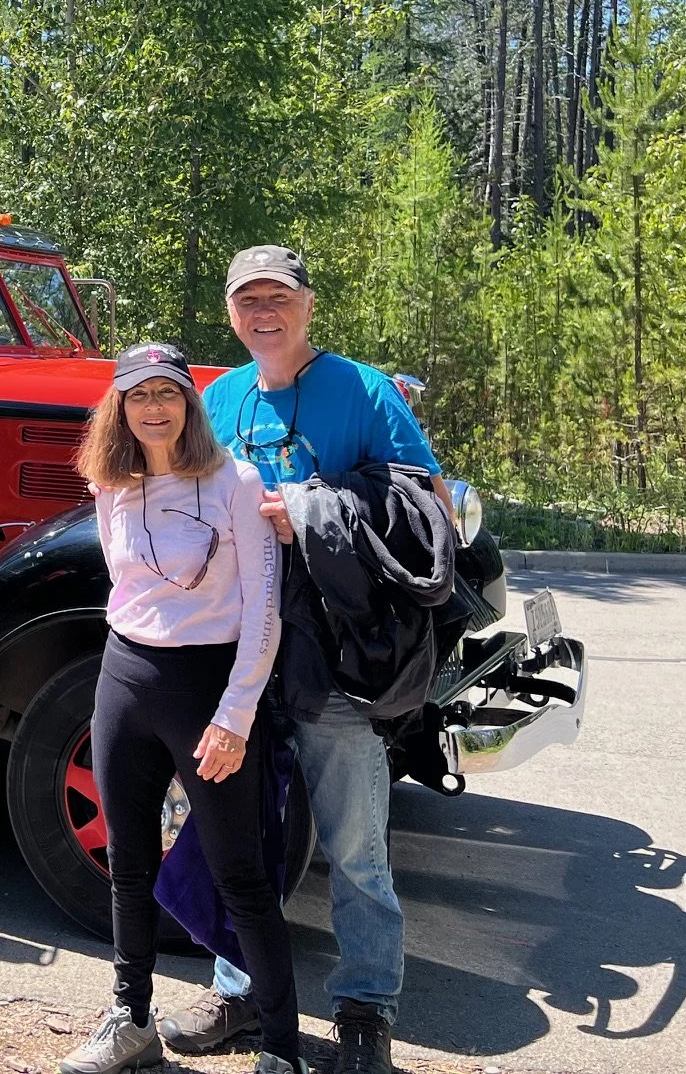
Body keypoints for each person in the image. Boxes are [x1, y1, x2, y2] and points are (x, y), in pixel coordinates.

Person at [158, 247, 443, 1074]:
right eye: (247, 300)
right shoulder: (219, 398)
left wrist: (314, 508)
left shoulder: (362, 390)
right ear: (231, 314)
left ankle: (364, 1010)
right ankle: (239, 991)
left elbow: (421, 497)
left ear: (307, 304)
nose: (262, 313)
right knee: (238, 836)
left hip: (338, 654)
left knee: (355, 845)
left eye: (276, 297)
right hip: (238, 653)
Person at [58, 342, 305, 1074]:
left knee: (242, 872)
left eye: (168, 394)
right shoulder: (112, 485)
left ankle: (282, 1050)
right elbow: (125, 587)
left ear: (189, 405)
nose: (154, 409)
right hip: (124, 679)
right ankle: (130, 1023)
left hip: (208, 690)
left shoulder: (236, 482)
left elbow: (264, 613)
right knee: (128, 864)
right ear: (120, 409)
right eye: (139, 397)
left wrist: (236, 714)